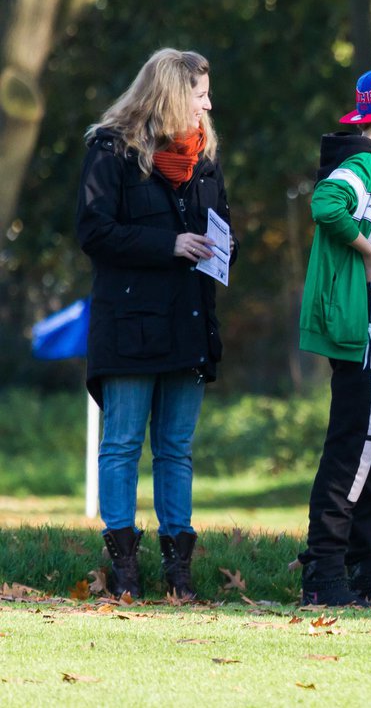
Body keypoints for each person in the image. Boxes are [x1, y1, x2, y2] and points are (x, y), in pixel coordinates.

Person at [76, 48, 235, 600]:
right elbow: (95, 231)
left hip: (189, 322)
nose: (208, 105)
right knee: (121, 443)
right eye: (199, 94)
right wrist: (167, 244)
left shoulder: (206, 158)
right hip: (129, 324)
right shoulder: (111, 150)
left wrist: (222, 248)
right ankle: (123, 570)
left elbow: (221, 228)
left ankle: (178, 573)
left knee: (176, 448)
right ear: (169, 94)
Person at [297, 68, 371, 607]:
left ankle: (369, 567)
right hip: (366, 338)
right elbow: (326, 204)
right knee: (354, 451)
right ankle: (324, 571)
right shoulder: (364, 164)